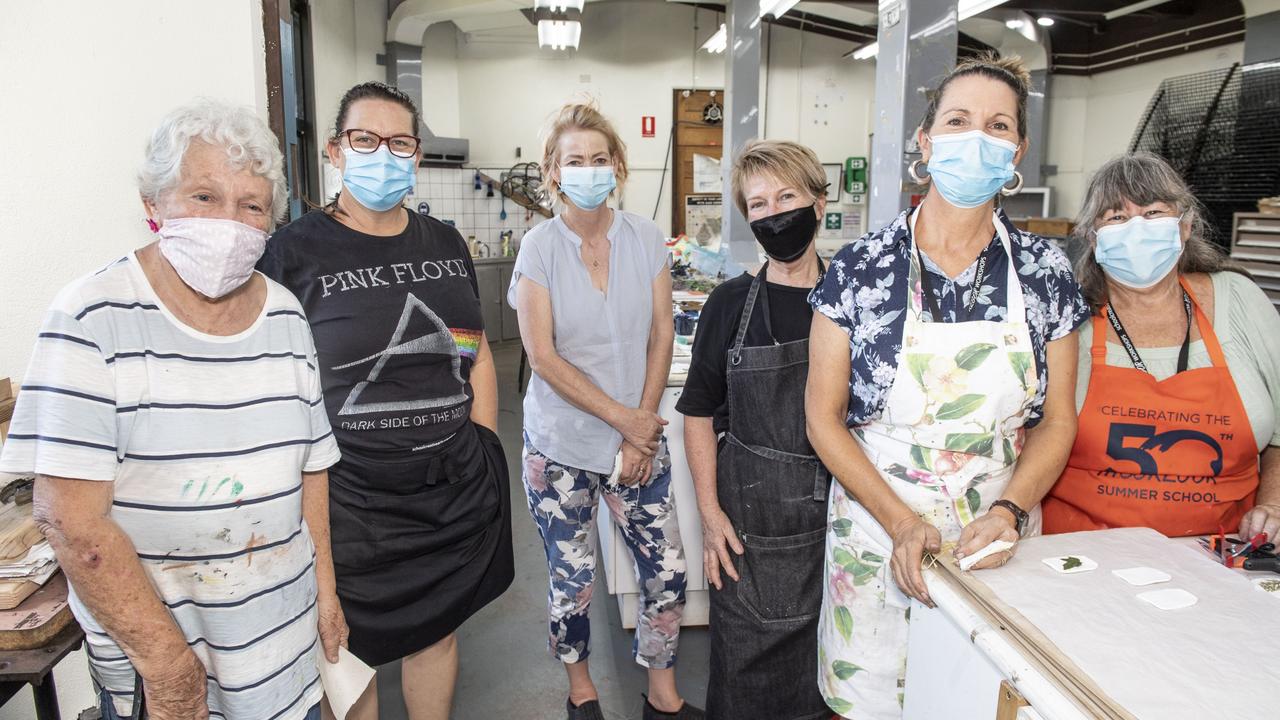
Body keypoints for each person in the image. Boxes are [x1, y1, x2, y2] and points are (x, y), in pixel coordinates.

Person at [0, 100, 341, 720]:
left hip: (285, 661)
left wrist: (326, 596)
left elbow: (311, 469)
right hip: (164, 678)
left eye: (251, 205)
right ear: (152, 204)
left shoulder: (287, 315)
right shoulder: (91, 317)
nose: (229, 223)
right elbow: (72, 524)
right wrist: (171, 672)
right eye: (204, 197)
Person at [805, 54, 1090, 719]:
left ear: (1017, 150)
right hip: (877, 528)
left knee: (977, 698)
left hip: (995, 537)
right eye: (958, 121)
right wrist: (902, 521)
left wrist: (1010, 512)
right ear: (926, 141)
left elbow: (1057, 422)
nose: (977, 138)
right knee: (873, 699)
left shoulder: (1046, 271)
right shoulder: (861, 268)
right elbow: (822, 418)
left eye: (997, 126)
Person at [257, 81, 513, 720]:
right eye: (364, 139)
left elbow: (471, 353)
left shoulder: (444, 244)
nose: (383, 153)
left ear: (416, 154)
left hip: (450, 490)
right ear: (336, 150)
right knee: (348, 650)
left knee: (439, 632)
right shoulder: (291, 254)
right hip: (353, 502)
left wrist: (480, 443)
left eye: (398, 141)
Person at [510, 101, 702, 720]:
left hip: (637, 445)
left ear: (617, 166)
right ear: (553, 172)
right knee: (574, 583)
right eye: (575, 161)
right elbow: (542, 357)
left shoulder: (646, 239)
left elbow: (661, 335)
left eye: (599, 159)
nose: (588, 170)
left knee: (669, 571)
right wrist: (628, 423)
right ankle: (581, 688)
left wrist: (641, 431)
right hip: (561, 447)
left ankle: (663, 688)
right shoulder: (538, 249)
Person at [1042, 153, 1280, 540]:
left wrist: (1274, 505)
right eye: (1116, 217)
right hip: (1081, 553)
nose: (1136, 228)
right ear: (1092, 237)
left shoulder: (1239, 301)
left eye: (1153, 212)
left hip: (1218, 554)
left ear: (1184, 226)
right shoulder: (1068, 317)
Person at [676, 139, 831, 720]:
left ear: (819, 203)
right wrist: (711, 517)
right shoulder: (729, 303)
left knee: (826, 685)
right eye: (759, 203)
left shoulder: (852, 300)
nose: (774, 214)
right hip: (749, 538)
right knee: (742, 686)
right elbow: (696, 413)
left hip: (833, 533)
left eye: (787, 196)